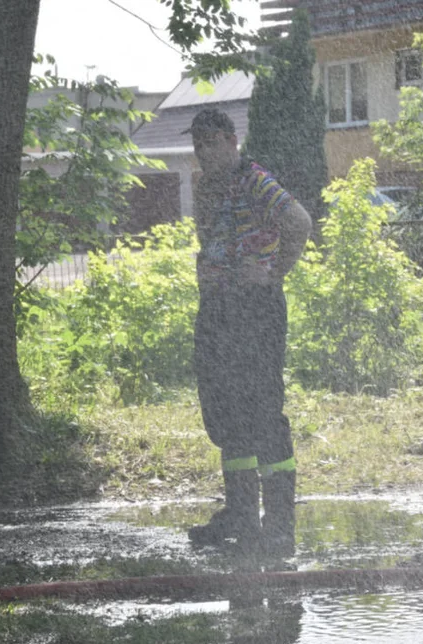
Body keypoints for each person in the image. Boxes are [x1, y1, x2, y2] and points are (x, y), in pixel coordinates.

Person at [182, 108, 312, 556]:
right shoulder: (204, 188)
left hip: (256, 309)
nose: (203, 151)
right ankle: (240, 516)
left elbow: (299, 222)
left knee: (262, 411)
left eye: (211, 142)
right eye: (198, 144)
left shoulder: (254, 178)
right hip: (217, 310)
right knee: (224, 411)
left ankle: (279, 527)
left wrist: (274, 272)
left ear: (232, 141)